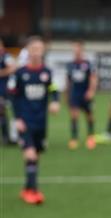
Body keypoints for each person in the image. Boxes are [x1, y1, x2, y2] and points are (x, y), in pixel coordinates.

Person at [8, 36, 60, 204]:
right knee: (30, 155)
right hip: (25, 121)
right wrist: (17, 119)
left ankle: (26, 188)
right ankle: (33, 192)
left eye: (40, 49)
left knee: (35, 156)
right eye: (34, 49)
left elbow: (54, 89)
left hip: (41, 122)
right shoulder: (20, 73)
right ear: (28, 51)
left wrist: (55, 101)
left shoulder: (47, 73)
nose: (37, 52)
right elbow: (13, 97)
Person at [65, 40, 98, 150]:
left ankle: (90, 137)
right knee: (74, 116)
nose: (76, 51)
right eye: (74, 49)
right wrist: (67, 94)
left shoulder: (88, 64)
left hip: (85, 93)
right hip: (75, 94)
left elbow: (93, 78)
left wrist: (91, 91)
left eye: (78, 49)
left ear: (82, 50)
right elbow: (68, 81)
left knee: (89, 115)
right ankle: (74, 138)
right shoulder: (70, 64)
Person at [0, 38, 17, 145]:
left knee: (11, 112)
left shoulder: (6, 56)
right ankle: (6, 137)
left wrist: (1, 73)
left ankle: (12, 137)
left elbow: (13, 68)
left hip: (6, 89)